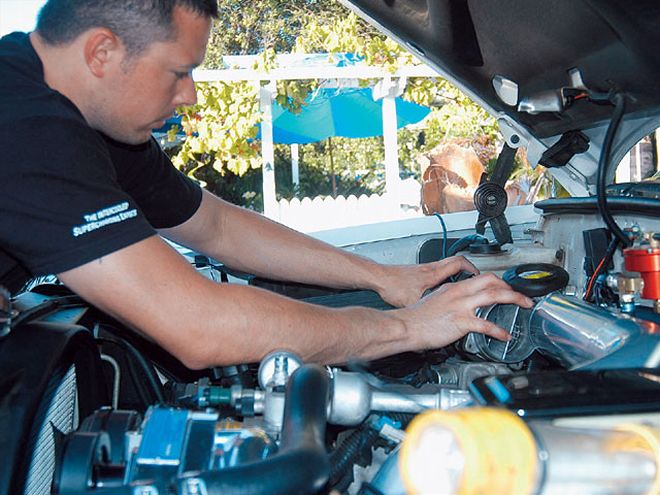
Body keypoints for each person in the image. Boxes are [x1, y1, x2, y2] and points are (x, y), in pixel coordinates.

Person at [0, 0, 531, 369]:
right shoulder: (26, 124)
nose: (190, 96)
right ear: (101, 53)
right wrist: (409, 329)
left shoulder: (96, 123)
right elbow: (198, 327)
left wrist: (383, 277)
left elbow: (216, 227)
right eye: (178, 72)